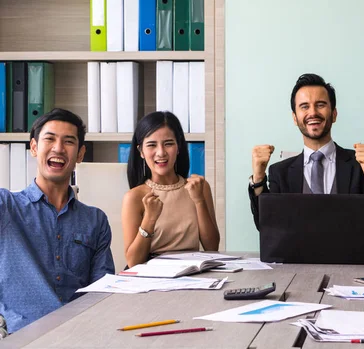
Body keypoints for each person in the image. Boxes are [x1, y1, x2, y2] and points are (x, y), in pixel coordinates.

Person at [0, 108, 115, 334]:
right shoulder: (7, 206)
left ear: (80, 154)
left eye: (68, 141)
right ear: (34, 147)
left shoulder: (96, 220)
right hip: (24, 337)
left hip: (82, 335)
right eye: (50, 139)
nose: (58, 148)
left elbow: (103, 292)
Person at [248, 73, 364, 233]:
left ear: (334, 114)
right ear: (295, 118)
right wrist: (258, 179)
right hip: (295, 257)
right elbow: (267, 227)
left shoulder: (358, 165)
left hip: (350, 258)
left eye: (321, 104)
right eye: (304, 106)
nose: (313, 113)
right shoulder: (280, 172)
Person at [121, 111, 219, 268]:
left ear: (179, 147)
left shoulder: (199, 187)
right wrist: (150, 219)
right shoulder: (134, 197)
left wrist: (199, 201)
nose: (161, 152)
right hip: (152, 277)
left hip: (193, 271)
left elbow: (212, 247)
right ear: (141, 151)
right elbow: (133, 262)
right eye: (152, 145)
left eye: (168, 143)